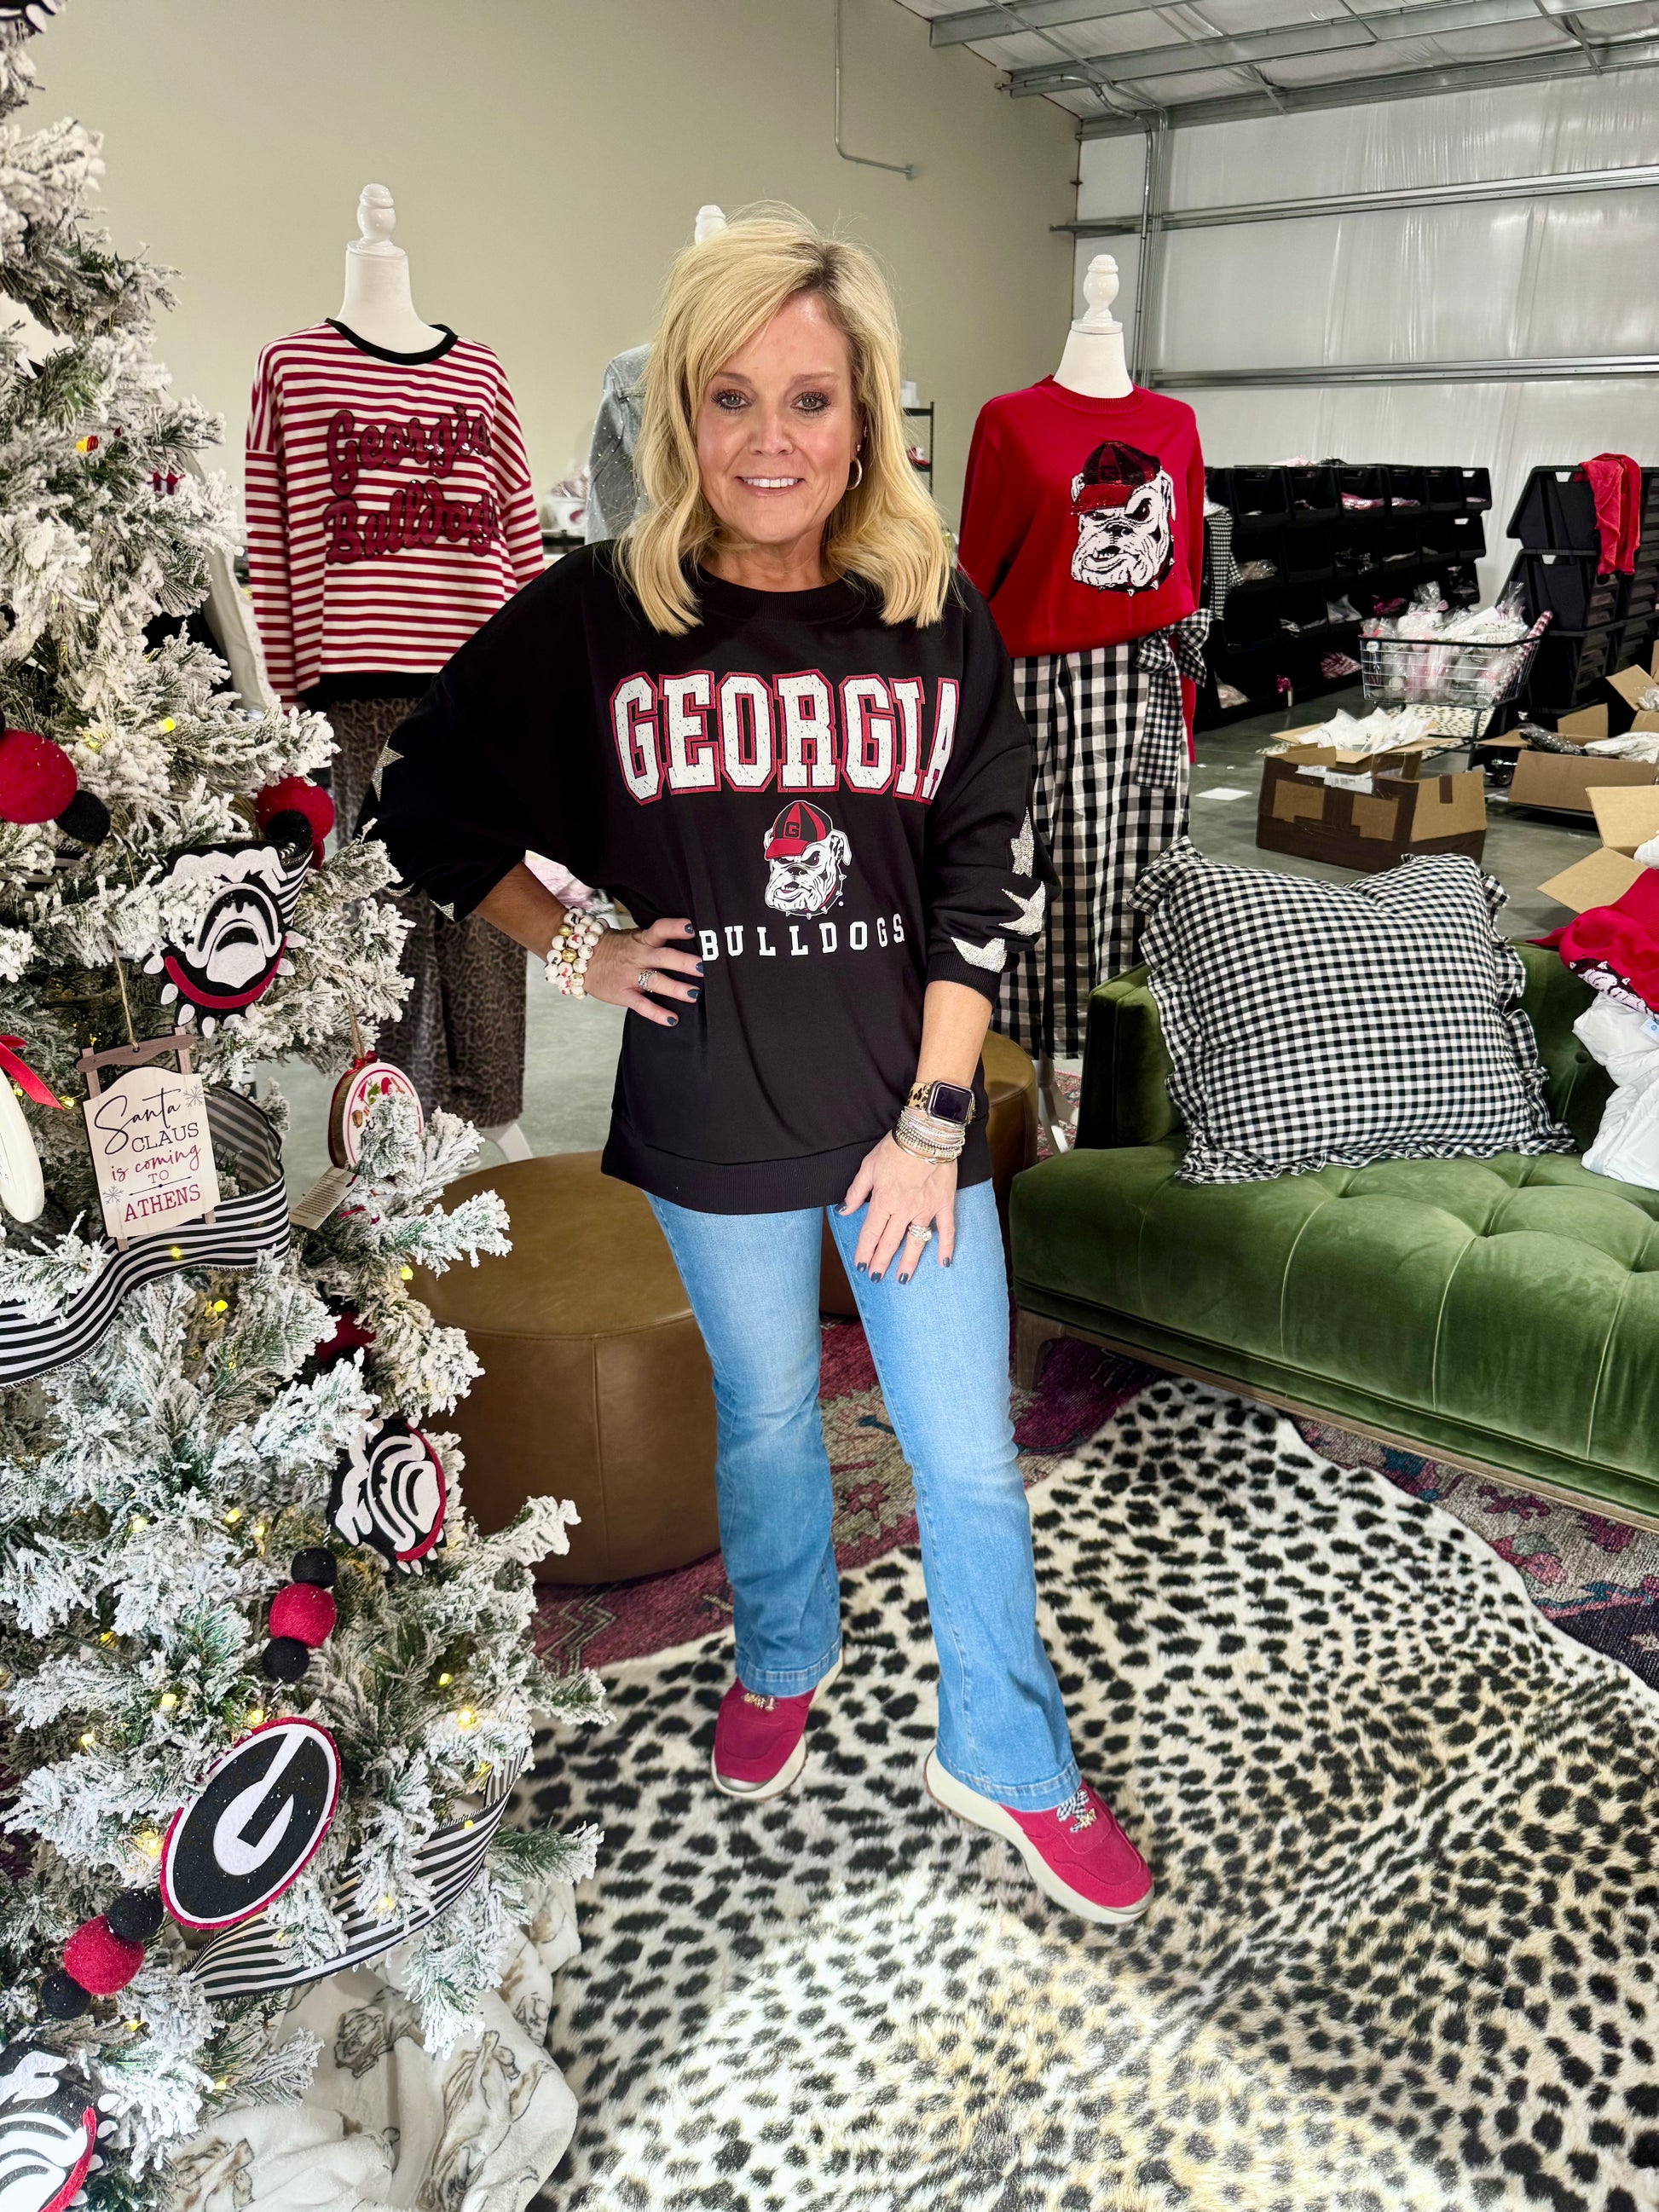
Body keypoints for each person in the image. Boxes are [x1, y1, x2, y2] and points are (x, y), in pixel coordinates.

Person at [368, 207, 1152, 1926]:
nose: (771, 440)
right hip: (710, 1105)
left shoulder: (932, 616)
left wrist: (935, 1124)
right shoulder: (598, 618)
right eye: (731, 398)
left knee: (962, 1450)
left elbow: (981, 880)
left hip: (903, 1117)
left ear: (864, 413)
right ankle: (784, 1650)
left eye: (809, 398)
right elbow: (421, 794)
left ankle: (1007, 1749)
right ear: (680, 414)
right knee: (769, 1408)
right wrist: (573, 943)